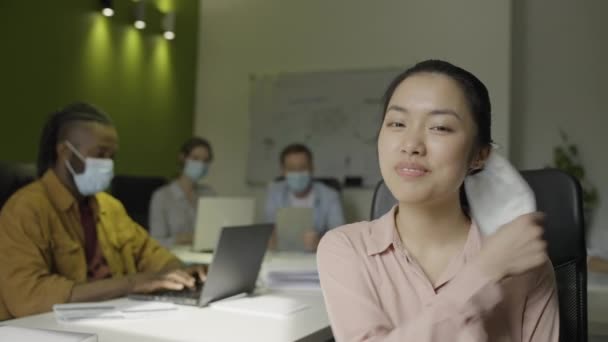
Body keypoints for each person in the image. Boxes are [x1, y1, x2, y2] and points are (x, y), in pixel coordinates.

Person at [317, 60, 559, 341]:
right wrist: (484, 274)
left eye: (440, 127)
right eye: (397, 123)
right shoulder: (346, 248)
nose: (411, 145)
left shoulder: (520, 258)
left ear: (480, 155)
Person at [0, 103, 205, 320]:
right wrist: (131, 283)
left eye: (112, 157)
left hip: (113, 318)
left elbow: (152, 255)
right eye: (100, 154)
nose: (108, 164)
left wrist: (182, 274)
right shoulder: (26, 209)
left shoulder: (109, 206)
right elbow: (28, 297)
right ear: (65, 152)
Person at [265, 143, 345, 251]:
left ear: (312, 168)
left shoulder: (330, 195)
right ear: (283, 171)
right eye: (292, 169)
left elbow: (339, 236)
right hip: (283, 257)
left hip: (317, 258)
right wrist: (270, 238)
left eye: (302, 168)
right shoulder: (274, 192)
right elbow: (268, 228)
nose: (297, 173)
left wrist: (320, 242)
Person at [149, 137, 216, 247]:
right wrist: (184, 238)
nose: (201, 164)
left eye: (205, 161)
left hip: (203, 256)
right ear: (183, 158)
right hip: (173, 258)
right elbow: (156, 242)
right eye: (195, 158)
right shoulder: (161, 196)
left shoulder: (209, 194)